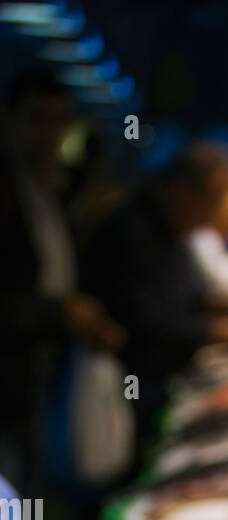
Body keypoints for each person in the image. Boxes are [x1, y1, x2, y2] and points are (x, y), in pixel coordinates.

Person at [84, 142, 228, 450]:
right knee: (128, 463)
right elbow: (147, 322)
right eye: (211, 201)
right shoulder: (130, 231)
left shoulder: (175, 230)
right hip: (129, 386)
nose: (214, 214)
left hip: (165, 380)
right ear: (181, 190)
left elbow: (189, 297)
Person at [0, 68, 122, 492]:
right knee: (10, 493)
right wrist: (60, 312)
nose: (49, 134)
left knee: (32, 485)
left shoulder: (56, 191)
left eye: (59, 121)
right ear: (9, 120)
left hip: (45, 369)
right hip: (9, 373)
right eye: (37, 119)